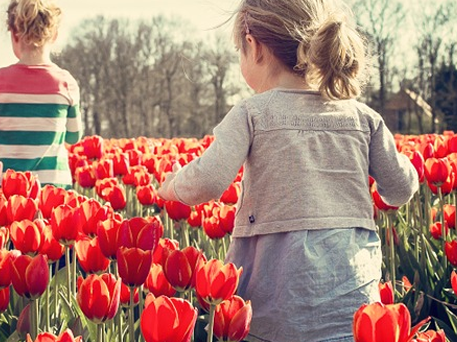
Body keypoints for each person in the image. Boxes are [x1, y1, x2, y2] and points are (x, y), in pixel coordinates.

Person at [156, 0, 419, 341]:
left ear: (254, 46)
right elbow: (399, 189)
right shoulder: (363, 117)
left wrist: (172, 186)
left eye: (240, 50)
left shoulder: (253, 113)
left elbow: (208, 180)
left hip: (274, 296)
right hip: (350, 294)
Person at [0, 0, 83, 188]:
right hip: (54, 186)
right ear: (54, 35)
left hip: (9, 186)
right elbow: (73, 136)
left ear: (14, 34)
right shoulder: (66, 83)